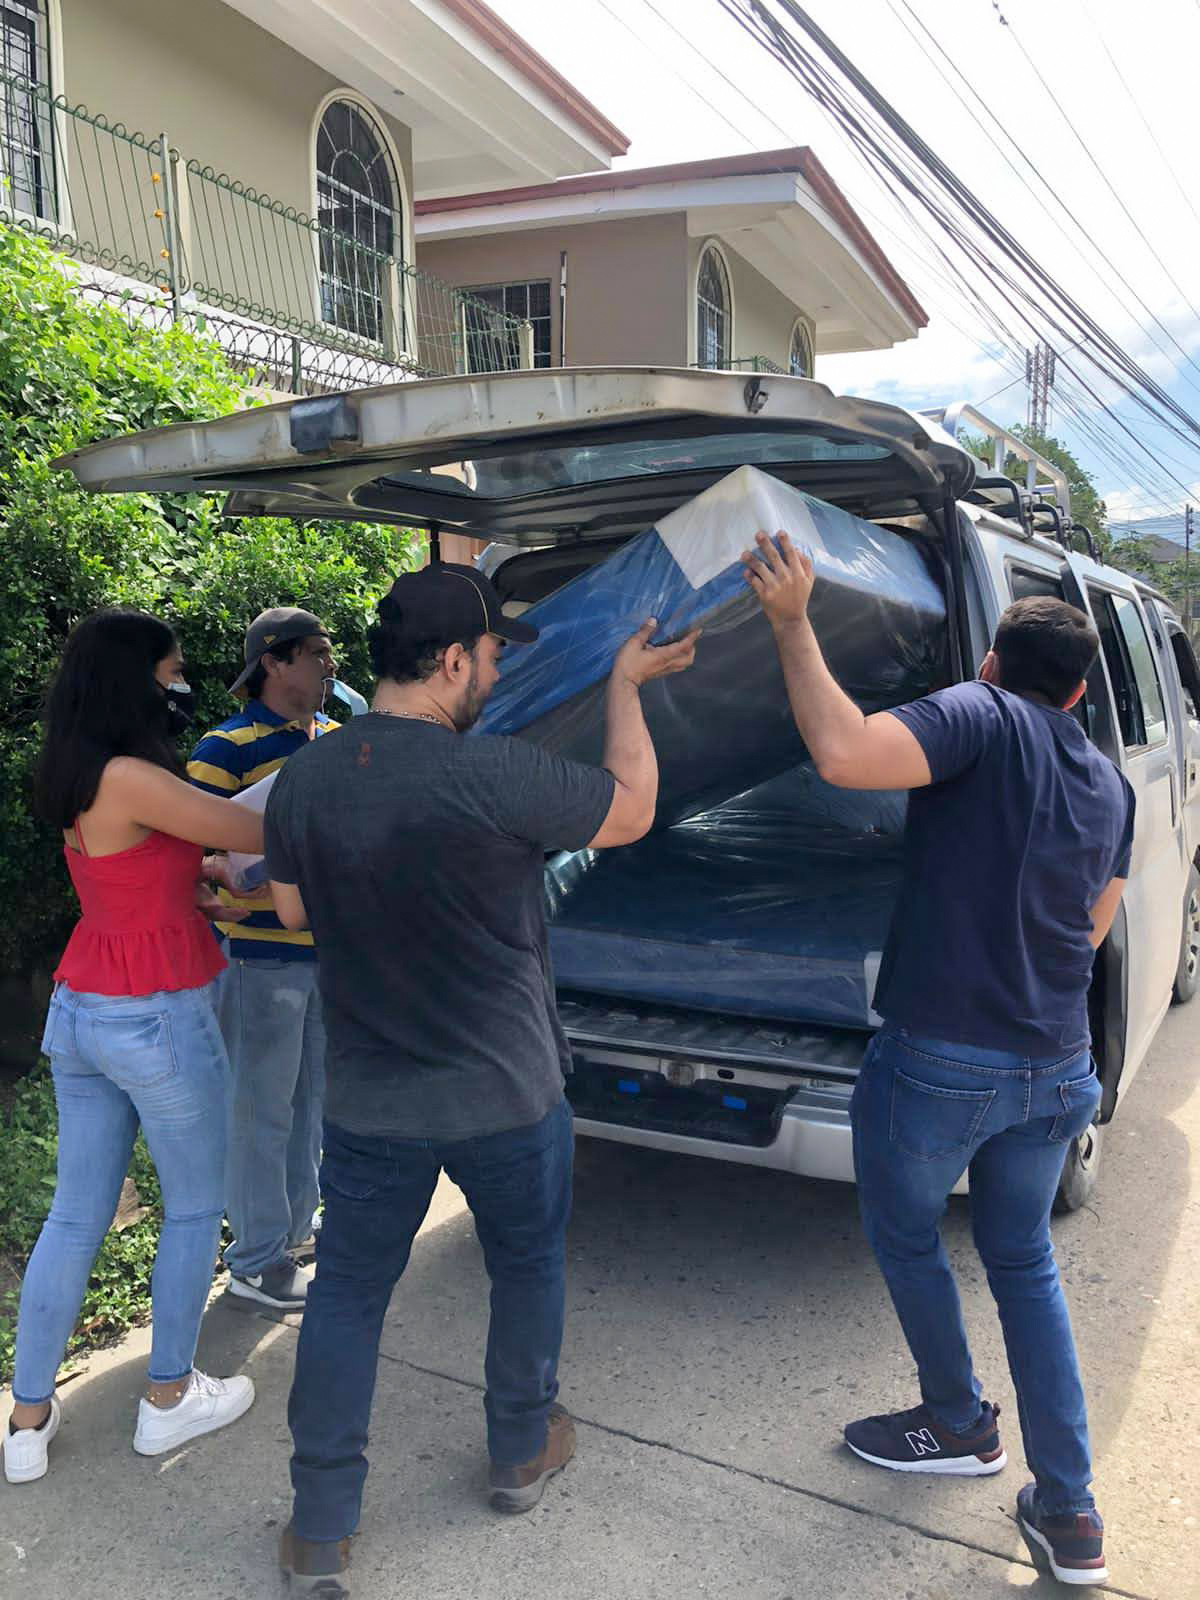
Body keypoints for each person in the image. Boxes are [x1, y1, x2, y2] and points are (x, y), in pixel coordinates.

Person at [262, 563, 698, 1596]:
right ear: (454, 659)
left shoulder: (307, 777)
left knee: (349, 1297)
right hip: (507, 1090)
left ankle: (321, 1524)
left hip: (371, 1098)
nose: (497, 675)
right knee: (527, 1265)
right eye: (494, 654)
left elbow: (290, 911)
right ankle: (518, 1451)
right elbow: (633, 808)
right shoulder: (496, 774)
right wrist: (625, 686)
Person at [744, 532, 1131, 1590]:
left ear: (995, 663)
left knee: (906, 1232)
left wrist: (792, 618)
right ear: (1080, 691)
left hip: (943, 1061)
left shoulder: (978, 713)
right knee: (1024, 1263)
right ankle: (1070, 1511)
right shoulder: (1110, 785)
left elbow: (843, 754)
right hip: (1056, 1066)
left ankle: (958, 1421)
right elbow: (1093, 927)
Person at [3, 609, 265, 1486]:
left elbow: (138, 871)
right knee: (193, 1206)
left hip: (84, 1007)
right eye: (173, 670)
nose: (180, 684)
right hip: (155, 1012)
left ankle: (27, 1421)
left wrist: (192, 877)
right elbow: (251, 830)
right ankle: (168, 1398)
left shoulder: (78, 770)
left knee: (75, 1215)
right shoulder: (132, 775)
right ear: (136, 679)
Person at [188, 608, 339, 1312]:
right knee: (260, 1112)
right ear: (274, 663)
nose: (329, 665)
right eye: (316, 653)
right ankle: (254, 1261)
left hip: (328, 955)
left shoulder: (336, 740)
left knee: (311, 1106)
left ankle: (293, 1238)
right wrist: (239, 876)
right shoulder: (224, 748)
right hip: (258, 958)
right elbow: (189, 856)